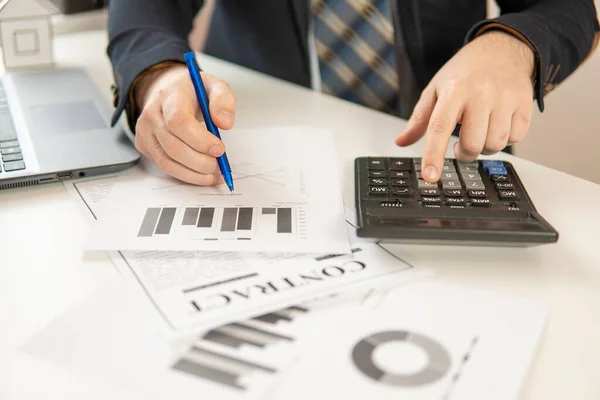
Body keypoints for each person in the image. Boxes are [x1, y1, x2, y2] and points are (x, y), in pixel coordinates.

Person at [107, 0, 599, 184]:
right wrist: (157, 75)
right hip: (256, 146)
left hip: (443, 153)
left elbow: (568, 8)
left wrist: (513, 47)